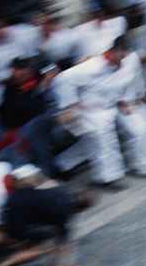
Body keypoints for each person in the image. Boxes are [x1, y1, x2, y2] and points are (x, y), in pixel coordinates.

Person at [52, 35, 136, 190]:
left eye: (126, 55)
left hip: (107, 111)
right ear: (112, 51)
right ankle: (106, 178)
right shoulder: (91, 66)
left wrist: (123, 101)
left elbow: (120, 83)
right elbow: (62, 79)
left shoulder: (122, 65)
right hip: (89, 113)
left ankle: (61, 165)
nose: (123, 58)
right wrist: (70, 105)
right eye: (121, 54)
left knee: (92, 145)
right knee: (104, 145)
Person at [0, 166, 96, 266]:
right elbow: (62, 243)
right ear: (82, 209)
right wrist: (63, 247)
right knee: (46, 244)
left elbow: (43, 184)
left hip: (14, 198)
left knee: (6, 233)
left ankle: (11, 244)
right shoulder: (64, 214)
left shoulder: (62, 190)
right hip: (17, 217)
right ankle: (4, 265)